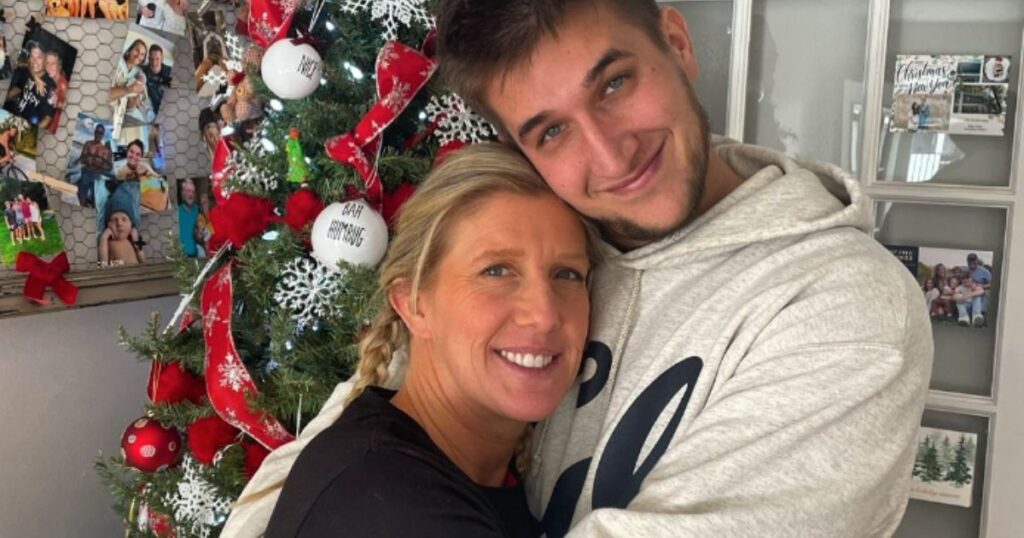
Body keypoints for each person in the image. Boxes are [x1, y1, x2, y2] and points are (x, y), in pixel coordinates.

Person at [225, 2, 934, 537]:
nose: (610, 155)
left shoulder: (844, 306)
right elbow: (373, 412)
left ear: (677, 42)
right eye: (552, 131)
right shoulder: (551, 231)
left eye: (615, 83)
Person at [265, 143, 596, 536]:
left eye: (567, 274)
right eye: (496, 271)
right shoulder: (392, 505)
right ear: (413, 305)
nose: (544, 315)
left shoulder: (451, 467)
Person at [4, 41, 56, 129]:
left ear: (45, 59)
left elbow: (47, 118)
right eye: (32, 56)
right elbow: (18, 88)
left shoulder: (50, 87)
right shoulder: (27, 72)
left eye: (39, 57)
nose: (35, 61)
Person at [110, 39, 154, 127]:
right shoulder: (118, 63)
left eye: (142, 54)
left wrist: (136, 99)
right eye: (137, 50)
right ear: (129, 50)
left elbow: (142, 81)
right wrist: (128, 89)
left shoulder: (138, 71)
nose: (139, 55)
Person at [71, 122, 114, 206]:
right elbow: (82, 158)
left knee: (96, 200)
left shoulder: (105, 150)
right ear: (94, 132)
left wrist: (102, 163)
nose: (98, 134)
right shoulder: (88, 144)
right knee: (81, 197)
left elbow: (109, 167)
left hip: (97, 175)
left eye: (101, 133)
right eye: (97, 132)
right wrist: (87, 160)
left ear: (103, 135)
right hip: (86, 173)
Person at [141, 44, 173, 116]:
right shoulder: (142, 72)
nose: (154, 63)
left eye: (157, 59)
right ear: (148, 59)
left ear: (162, 59)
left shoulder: (171, 71)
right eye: (152, 59)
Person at [44, 51, 68, 134]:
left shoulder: (63, 86)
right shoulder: (47, 79)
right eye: (47, 63)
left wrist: (57, 103)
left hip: (51, 129)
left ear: (59, 66)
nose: (49, 67)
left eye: (53, 64)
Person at [965, 253, 991, 324]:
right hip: (968, 291)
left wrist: (982, 286)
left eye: (974, 260)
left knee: (984, 294)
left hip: (981, 291)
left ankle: (982, 313)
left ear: (977, 261)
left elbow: (991, 284)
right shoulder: (965, 271)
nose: (972, 262)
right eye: (970, 261)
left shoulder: (985, 271)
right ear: (967, 262)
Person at [177, 177, 200, 257]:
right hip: (181, 257)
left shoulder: (199, 210)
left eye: (193, 192)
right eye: (188, 191)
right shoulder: (177, 212)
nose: (191, 195)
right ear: (182, 193)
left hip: (197, 255)